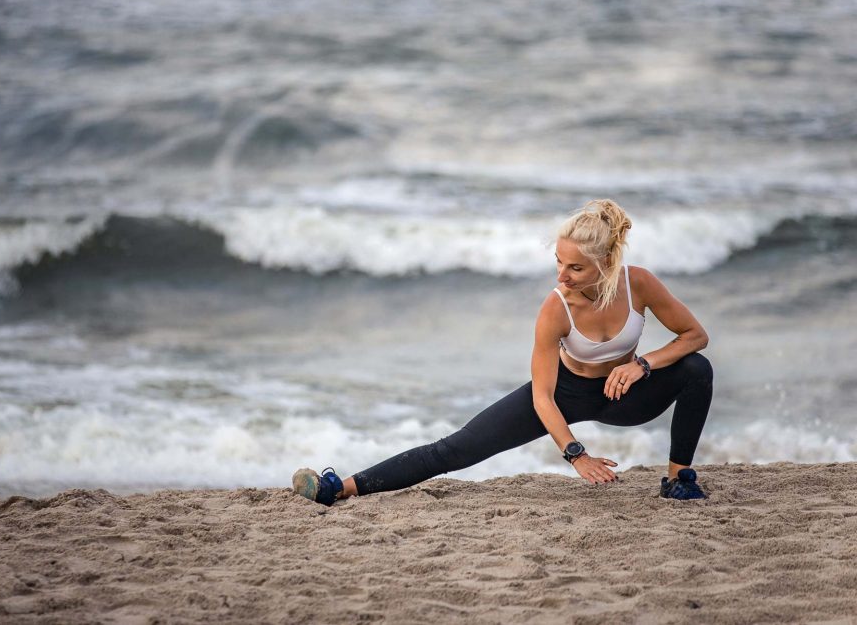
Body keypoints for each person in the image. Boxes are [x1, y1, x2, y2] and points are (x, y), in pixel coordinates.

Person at [292, 199, 713, 505]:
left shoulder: (637, 283)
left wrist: (643, 364)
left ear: (606, 262)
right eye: (558, 263)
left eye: (575, 268)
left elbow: (694, 335)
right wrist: (576, 454)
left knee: (697, 368)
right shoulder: (556, 308)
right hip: (566, 394)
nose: (561, 276)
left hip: (626, 395)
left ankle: (678, 479)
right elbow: (543, 396)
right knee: (453, 450)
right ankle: (338, 488)